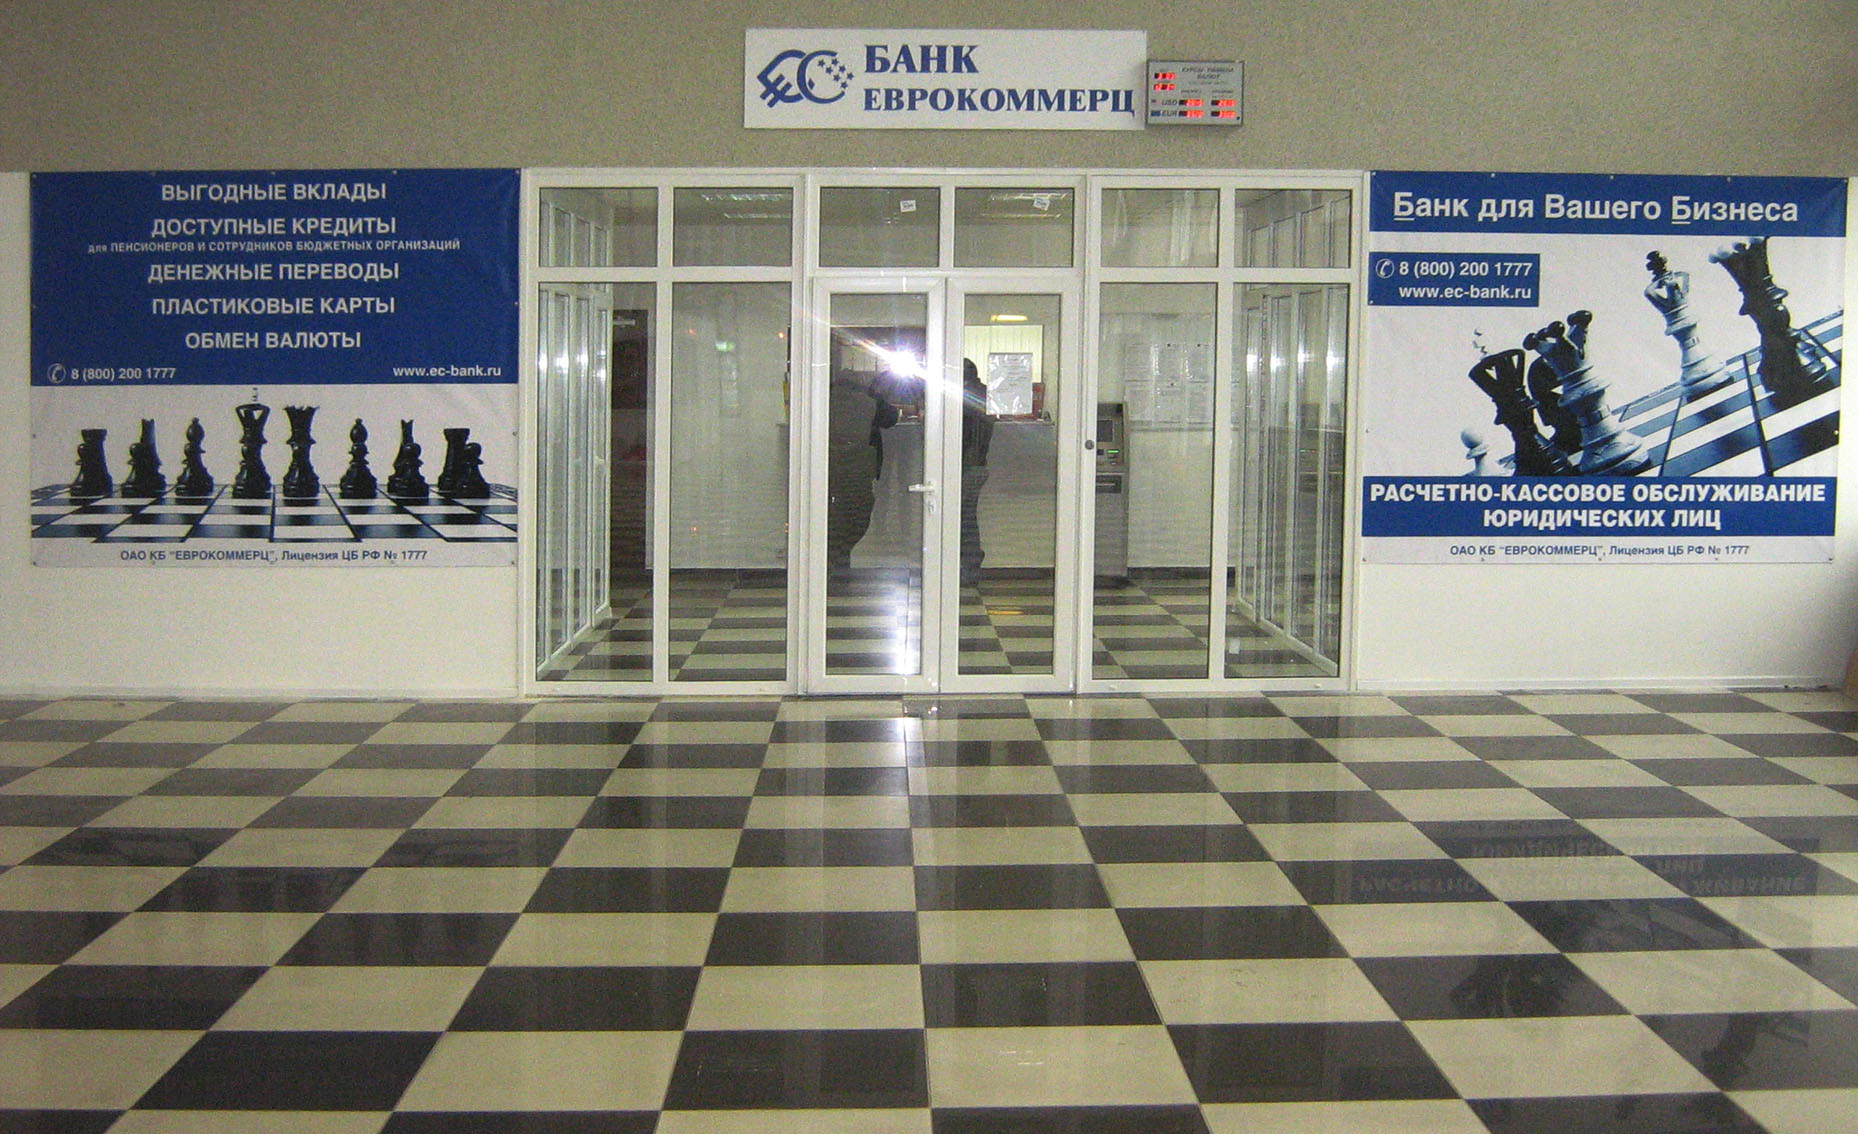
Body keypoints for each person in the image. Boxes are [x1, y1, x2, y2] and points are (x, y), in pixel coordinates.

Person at [958, 357, 994, 586]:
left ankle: (969, 568)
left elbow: (965, 434)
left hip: (966, 465)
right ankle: (968, 567)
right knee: (966, 516)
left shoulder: (962, 396)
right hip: (978, 463)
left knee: (964, 518)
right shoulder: (983, 393)